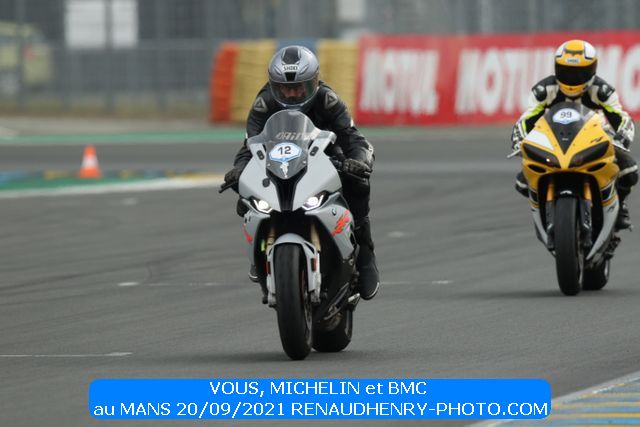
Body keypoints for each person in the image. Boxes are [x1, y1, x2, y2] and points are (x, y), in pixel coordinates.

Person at [221, 45, 380, 300]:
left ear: (313, 83)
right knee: (244, 191)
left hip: (326, 159)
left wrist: (359, 161)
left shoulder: (328, 100)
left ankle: (365, 252)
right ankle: (259, 249)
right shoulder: (264, 103)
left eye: (299, 88)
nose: (292, 94)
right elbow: (248, 147)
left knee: (358, 183)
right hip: (278, 164)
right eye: (285, 88)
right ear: (274, 86)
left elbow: (354, 139)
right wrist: (238, 171)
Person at [511, 39, 638, 230]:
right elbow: (527, 119)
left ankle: (621, 206)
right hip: (555, 140)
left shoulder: (602, 91)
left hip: (593, 139)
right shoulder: (544, 90)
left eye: (579, 73)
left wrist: (622, 137)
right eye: (566, 72)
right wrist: (519, 139)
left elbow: (620, 117)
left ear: (592, 71)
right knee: (522, 182)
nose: (572, 78)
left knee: (629, 170)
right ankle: (546, 208)